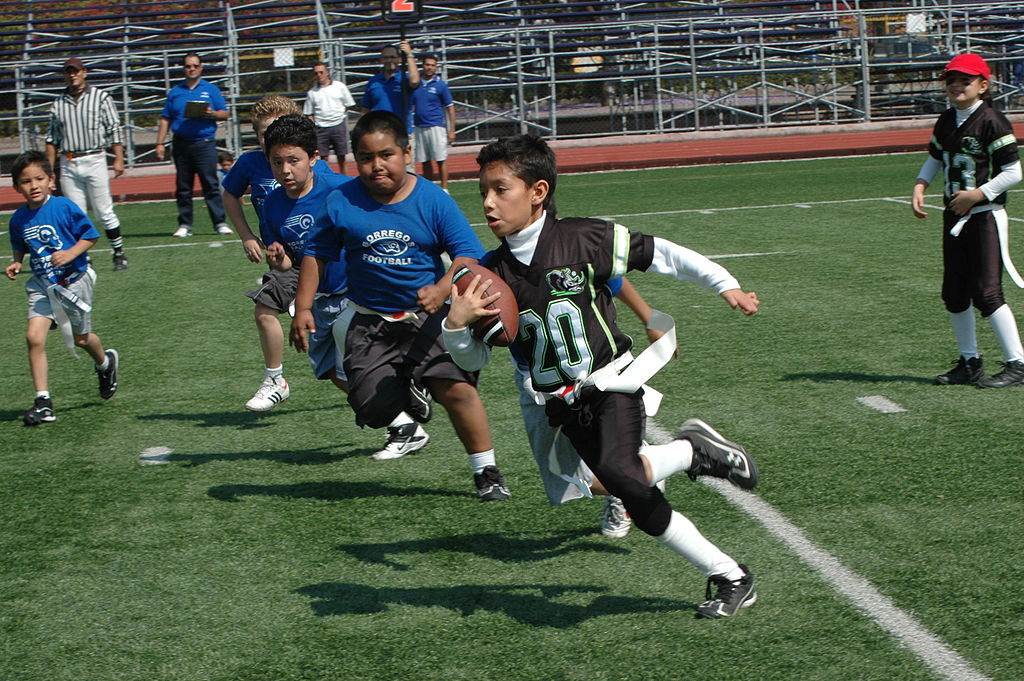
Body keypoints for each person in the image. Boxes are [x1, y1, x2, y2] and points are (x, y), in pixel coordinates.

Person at [443, 134, 762, 618]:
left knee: (621, 475)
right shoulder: (489, 275)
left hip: (612, 383)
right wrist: (456, 325)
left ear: (538, 191)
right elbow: (473, 362)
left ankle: (723, 550)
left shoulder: (583, 237)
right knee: (616, 484)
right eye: (482, 190)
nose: (487, 201)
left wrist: (724, 283)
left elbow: (662, 253)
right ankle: (714, 525)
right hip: (561, 403)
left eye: (500, 188)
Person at [297, 110, 509, 498]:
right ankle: (409, 389)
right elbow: (316, 252)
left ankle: (487, 471)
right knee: (372, 409)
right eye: (365, 157)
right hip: (368, 323)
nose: (376, 165)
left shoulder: (432, 199)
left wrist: (443, 288)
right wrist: (304, 305)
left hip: (426, 320)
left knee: (456, 389)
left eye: (386, 155)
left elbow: (469, 255)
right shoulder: (340, 200)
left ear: (407, 152)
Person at [515, 276, 670, 538]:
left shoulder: (567, 248)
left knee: (588, 468)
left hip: (591, 370)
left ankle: (639, 473)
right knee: (561, 476)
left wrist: (650, 318)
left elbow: (614, 279)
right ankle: (643, 467)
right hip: (535, 377)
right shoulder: (496, 264)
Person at [912, 53, 1024, 388]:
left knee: (987, 292)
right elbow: (935, 157)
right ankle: (970, 361)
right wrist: (921, 184)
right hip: (954, 216)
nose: (957, 86)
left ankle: (1018, 362)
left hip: (984, 216)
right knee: (954, 293)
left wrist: (978, 194)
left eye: (965, 80)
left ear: (983, 85)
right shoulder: (948, 119)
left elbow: (1013, 172)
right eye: (951, 80)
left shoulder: (991, 120)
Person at [222, 95, 330, 412]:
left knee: (338, 355)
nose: (269, 140)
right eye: (262, 134)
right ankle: (275, 380)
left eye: (275, 130)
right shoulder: (251, 164)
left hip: (322, 257)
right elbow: (229, 195)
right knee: (264, 308)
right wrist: (246, 236)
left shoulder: (317, 170)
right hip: (284, 257)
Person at [5, 151, 119, 426]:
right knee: (34, 337)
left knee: (81, 340)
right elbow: (20, 243)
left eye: (39, 179)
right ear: (16, 187)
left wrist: (70, 253)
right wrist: (17, 262)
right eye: (25, 181)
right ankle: (43, 401)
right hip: (43, 285)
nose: (33, 185)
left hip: (73, 284)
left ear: (51, 180)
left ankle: (105, 363)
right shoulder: (18, 218)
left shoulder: (64, 207)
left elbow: (90, 235)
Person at [45, 56, 129, 271]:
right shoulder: (58, 103)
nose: (72, 75)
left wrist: (119, 157)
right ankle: (85, 257)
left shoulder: (100, 97)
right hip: (69, 160)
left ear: (84, 72)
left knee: (104, 211)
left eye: (76, 71)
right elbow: (52, 139)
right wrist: (48, 172)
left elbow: (114, 128)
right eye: (68, 71)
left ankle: (118, 253)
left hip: (95, 158)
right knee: (75, 214)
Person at [155, 52, 232, 238]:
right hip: (181, 144)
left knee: (211, 184)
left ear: (201, 68)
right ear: (184, 68)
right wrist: (160, 143)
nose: (191, 69)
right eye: (188, 66)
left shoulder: (211, 89)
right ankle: (185, 224)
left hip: (204, 143)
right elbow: (166, 119)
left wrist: (211, 113)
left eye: (195, 66)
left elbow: (225, 113)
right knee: (183, 187)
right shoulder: (175, 92)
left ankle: (220, 222)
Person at [411, 53, 456, 192]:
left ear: (436, 67)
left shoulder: (440, 85)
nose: (429, 67)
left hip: (436, 126)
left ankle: (444, 189)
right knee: (424, 161)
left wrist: (452, 129)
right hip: (419, 126)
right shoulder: (415, 83)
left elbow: (450, 107)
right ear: (422, 66)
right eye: (427, 64)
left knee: (440, 158)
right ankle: (429, 188)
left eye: (432, 65)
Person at [304, 63, 356, 174]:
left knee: (342, 156)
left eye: (321, 72)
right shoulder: (312, 93)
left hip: (339, 125)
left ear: (327, 72)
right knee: (323, 159)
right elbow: (308, 113)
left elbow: (348, 104)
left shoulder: (339, 86)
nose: (319, 75)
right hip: (321, 128)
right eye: (316, 73)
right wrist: (314, 125)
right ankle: (326, 179)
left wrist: (339, 115)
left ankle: (345, 179)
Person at [359, 41, 420, 131]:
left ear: (399, 59)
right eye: (386, 57)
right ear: (381, 60)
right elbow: (366, 108)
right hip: (379, 132)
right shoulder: (374, 81)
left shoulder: (404, 79)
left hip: (401, 131)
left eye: (392, 57)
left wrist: (409, 55)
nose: (389, 60)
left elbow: (415, 81)